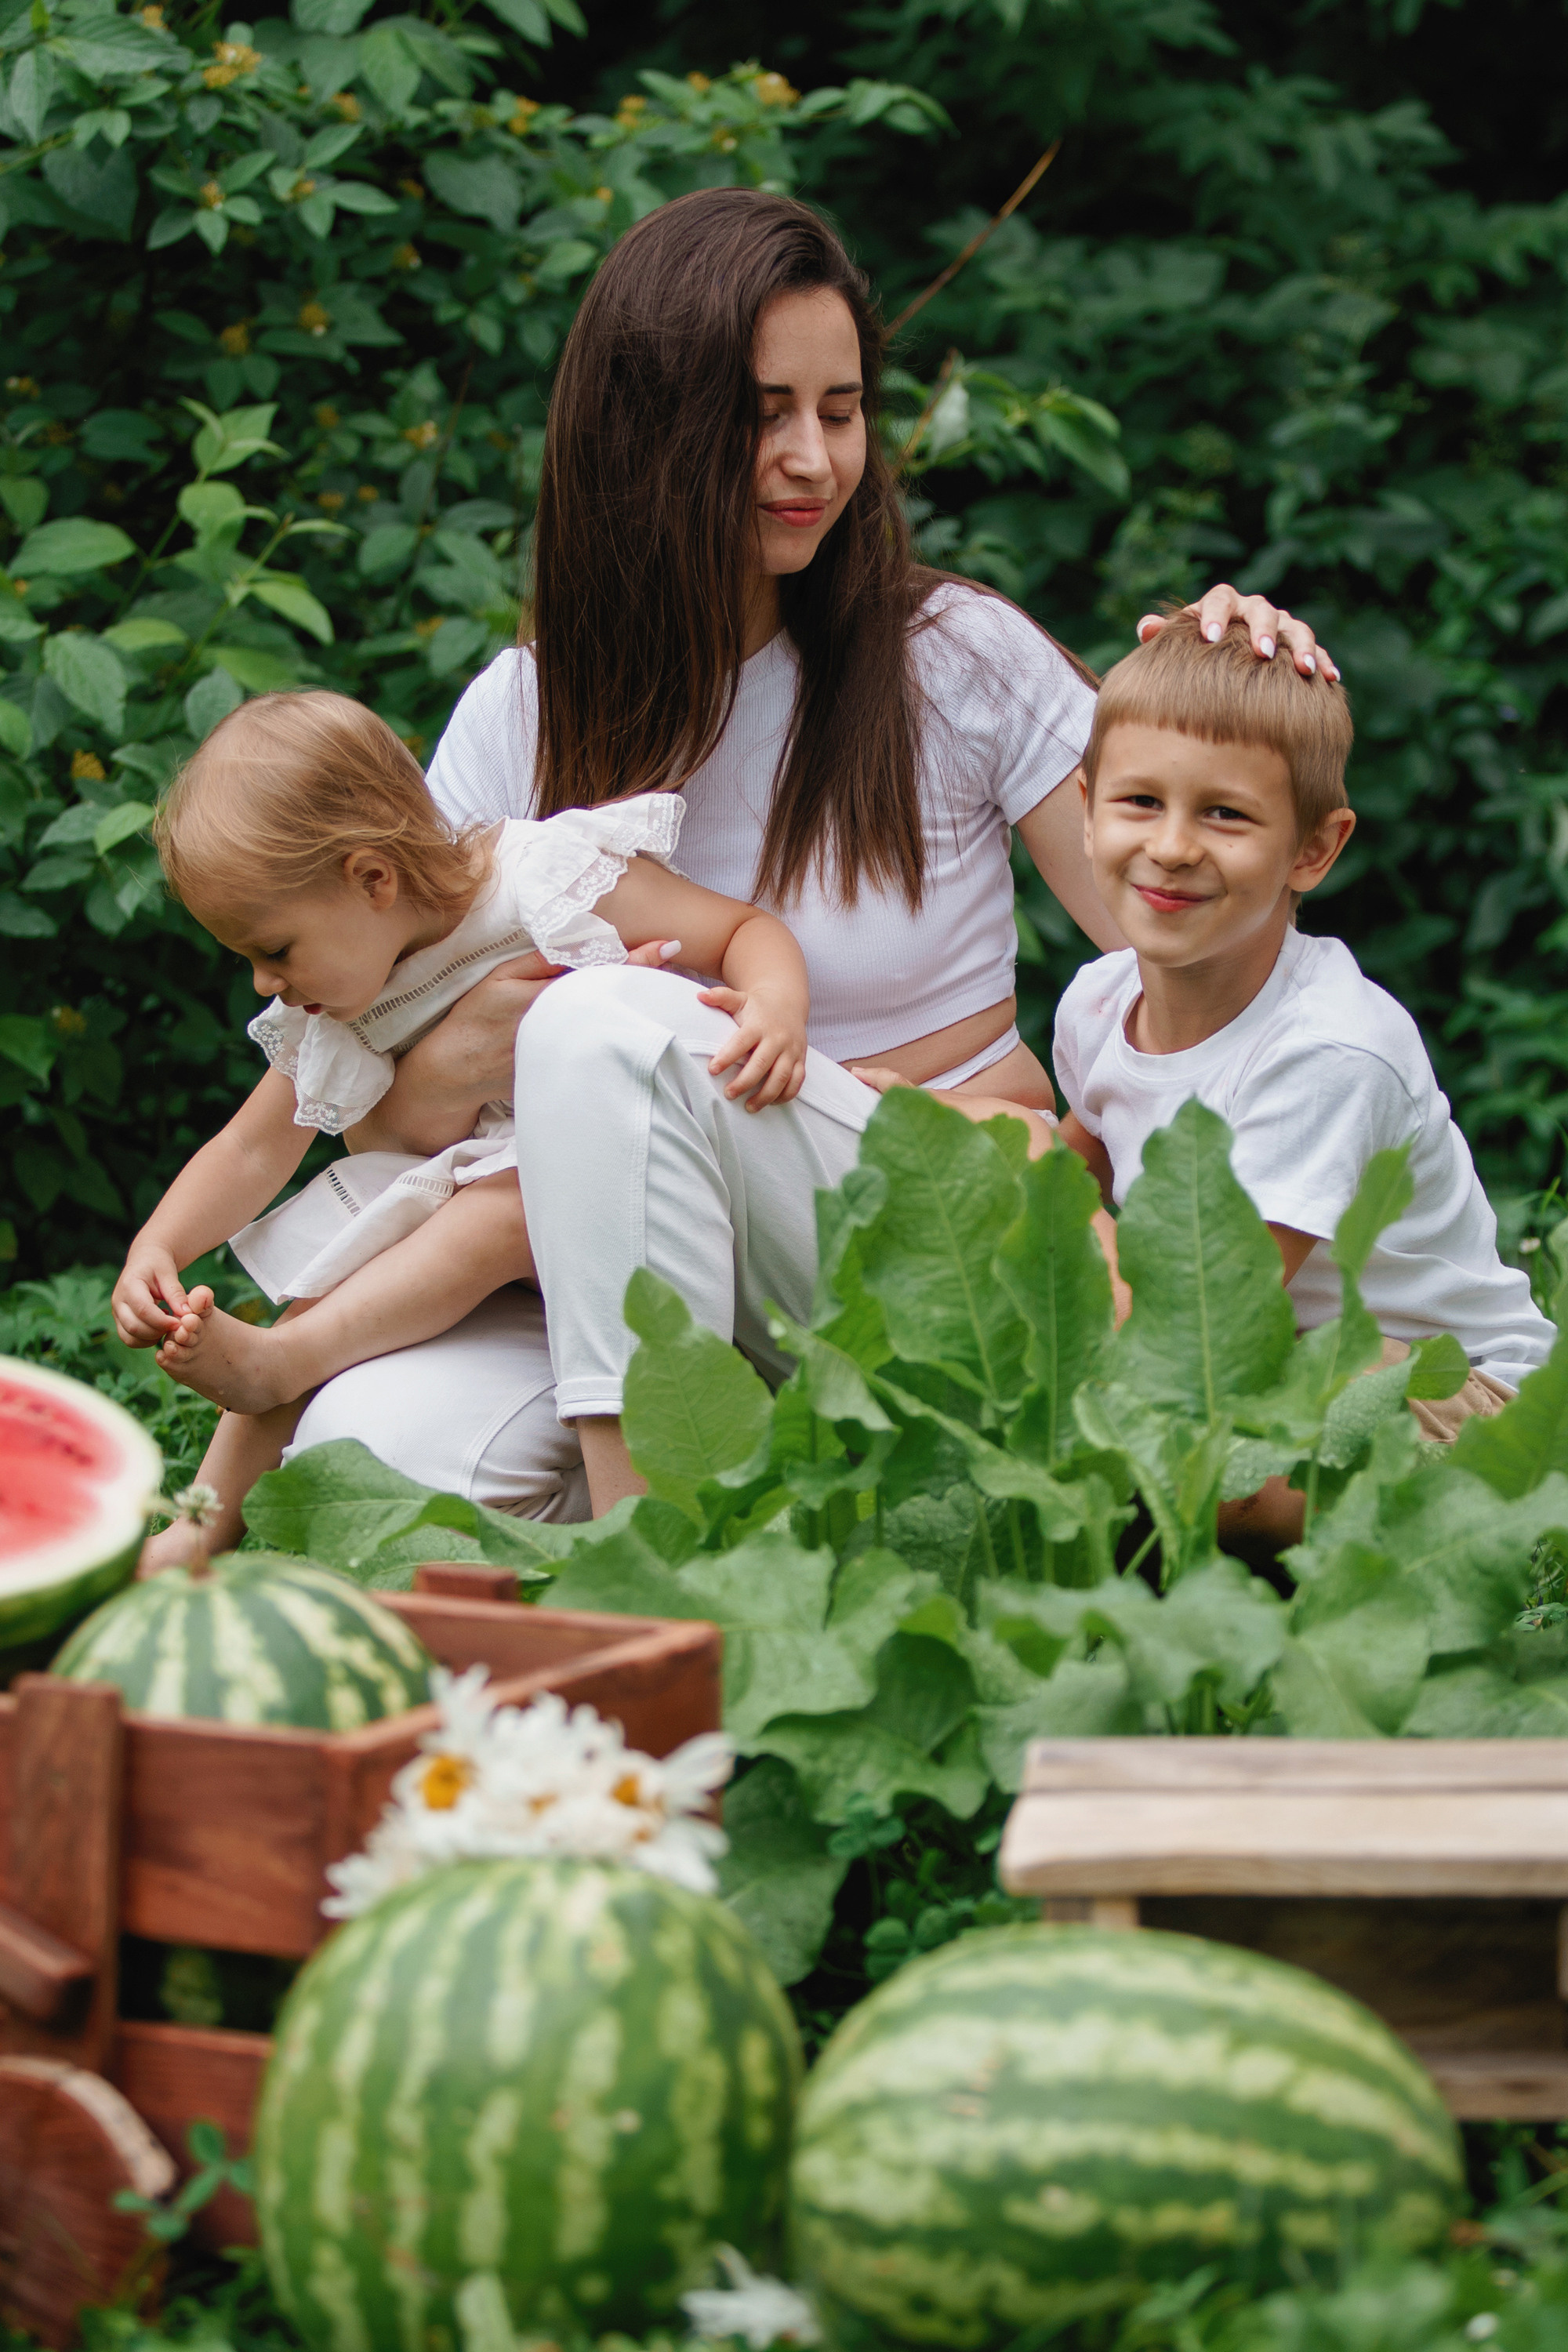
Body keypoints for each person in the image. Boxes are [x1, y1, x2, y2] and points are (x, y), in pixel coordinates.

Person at [151, 185, 1334, 1554]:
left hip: (919, 1224)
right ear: (646, 425)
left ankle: (661, 1571)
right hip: (605, 1266)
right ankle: (761, 1507)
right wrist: (467, 1061)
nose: (814, 459)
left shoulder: (951, 656)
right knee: (371, 1462)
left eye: (841, 410)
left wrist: (1224, 705)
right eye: (764, 413)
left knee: (607, 1022)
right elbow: (373, 1101)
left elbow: (1203, 955)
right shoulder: (521, 716)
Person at [115, 690, 820, 1553]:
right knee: (333, 1279)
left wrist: (775, 1004)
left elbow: (740, 928)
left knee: (507, 1202)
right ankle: (196, 1529)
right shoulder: (341, 1004)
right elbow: (250, 1147)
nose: (265, 984)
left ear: (371, 880)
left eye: (274, 950)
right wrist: (158, 1246)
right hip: (503, 1275)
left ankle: (288, 1365)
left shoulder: (538, 884)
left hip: (624, 1201)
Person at [1044, 612, 1553, 1523]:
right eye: (1139, 802)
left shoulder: (1326, 1051)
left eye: (1224, 814)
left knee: (1208, 1482)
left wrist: (1024, 1166)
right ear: (1084, 811)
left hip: (1446, 1391)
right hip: (1283, 1364)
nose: (1171, 847)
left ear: (1312, 849)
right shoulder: (1095, 1003)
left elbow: (1199, 1329)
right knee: (1078, 1420)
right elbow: (1067, 1171)